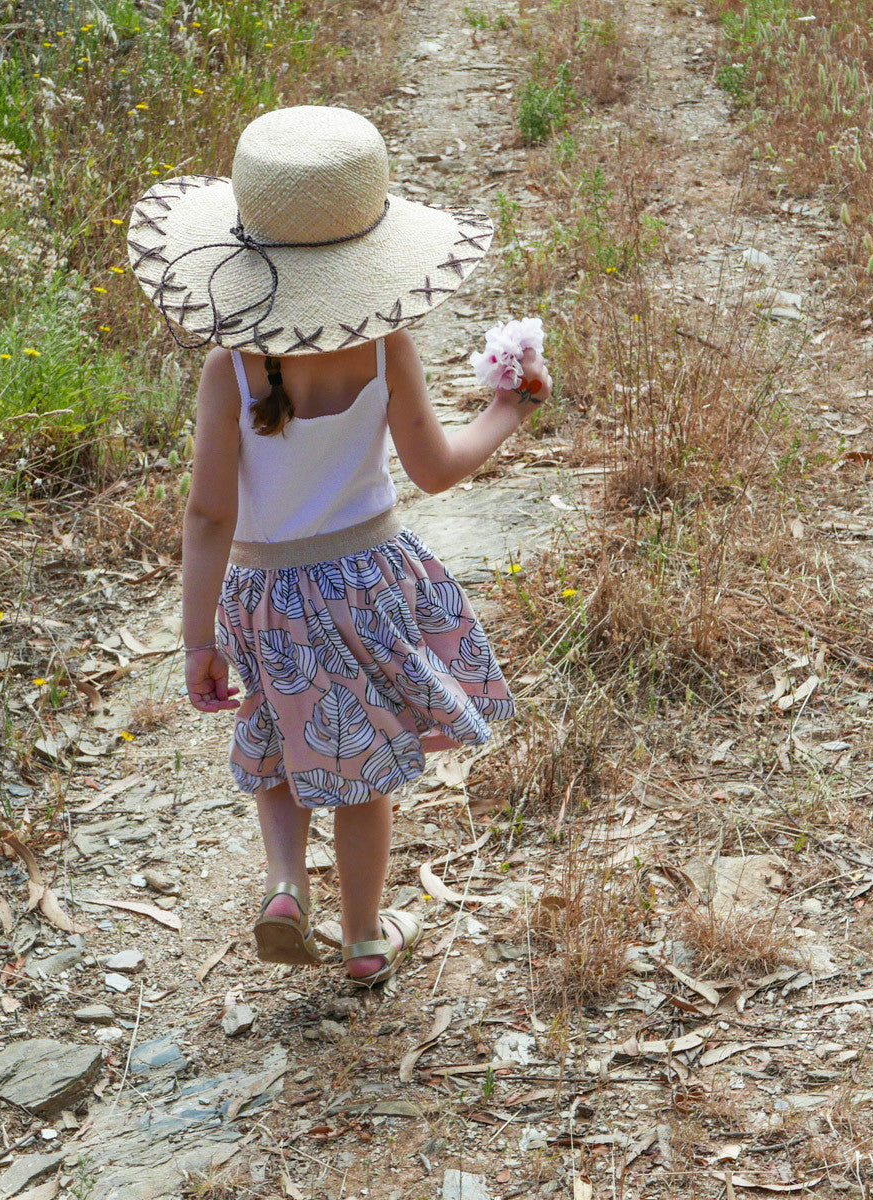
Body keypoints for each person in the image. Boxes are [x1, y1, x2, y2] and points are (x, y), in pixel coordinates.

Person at [126, 105, 552, 988]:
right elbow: (434, 469)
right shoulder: (385, 346)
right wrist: (506, 410)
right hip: (367, 585)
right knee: (363, 772)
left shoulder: (230, 370)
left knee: (279, 737)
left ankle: (286, 887)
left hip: (264, 594)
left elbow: (208, 516)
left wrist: (198, 638)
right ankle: (363, 940)